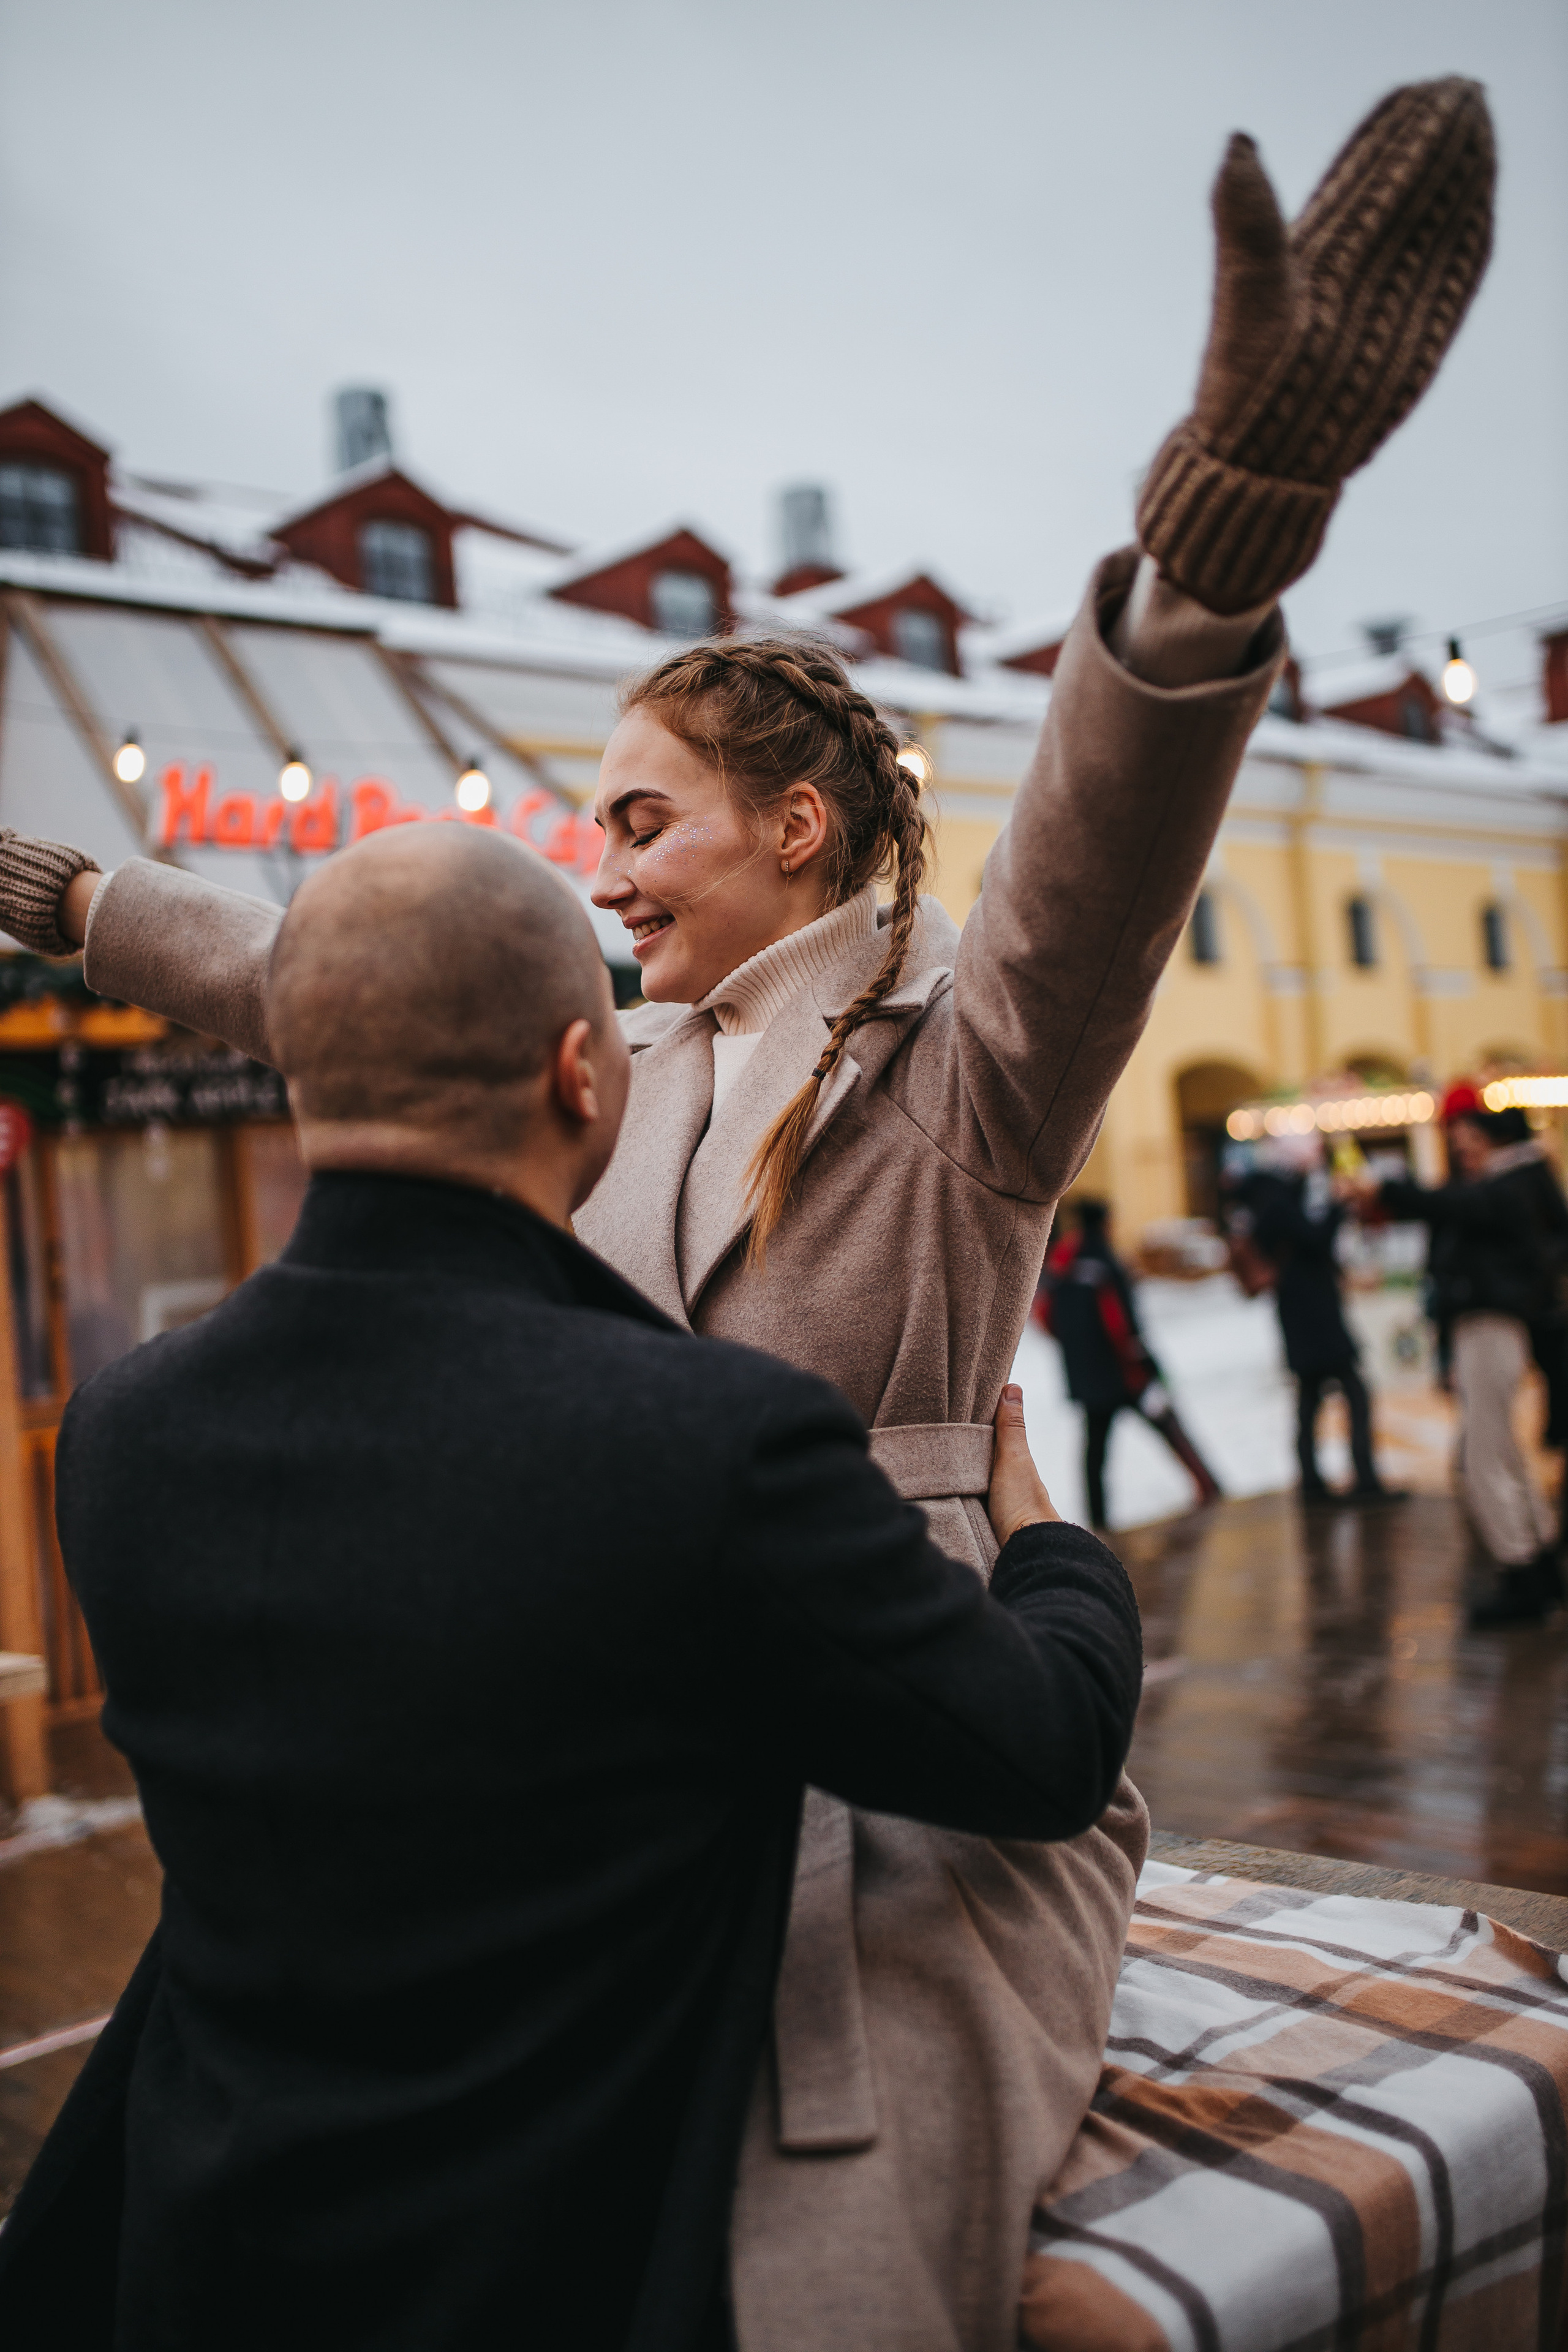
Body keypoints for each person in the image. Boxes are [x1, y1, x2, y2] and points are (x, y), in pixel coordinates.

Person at [0, 78, 1493, 2350]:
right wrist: (73, 896)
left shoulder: (952, 1068)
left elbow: (1090, 866)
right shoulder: (605, 1051)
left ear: (798, 829)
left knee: (810, 2266)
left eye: (634, 817)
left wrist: (1213, 555)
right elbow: (338, 965)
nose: (591, 867)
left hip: (902, 1778)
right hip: (614, 1747)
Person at [0, 826, 1143, 2352]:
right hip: (548, 2266)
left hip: (200, 2238)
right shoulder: (701, 1447)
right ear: (578, 1074)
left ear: (299, 1075)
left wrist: (88, 901)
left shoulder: (125, 1429)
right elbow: (1040, 1748)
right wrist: (1047, 1552)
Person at [1376, 1098, 1568, 1627]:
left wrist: (1386, 1191)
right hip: (1496, 1326)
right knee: (1501, 1449)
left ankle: (1521, 1568)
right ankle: (1539, 1557)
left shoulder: (1510, 1184)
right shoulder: (1522, 1181)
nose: (1462, 1145)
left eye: (1469, 1134)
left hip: (1490, 1325)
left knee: (1485, 1456)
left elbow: (1454, 1207)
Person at [1035, 1197, 1221, 1527]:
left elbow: (1046, 1318)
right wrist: (1140, 1359)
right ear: (1105, 1223)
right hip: (1124, 1374)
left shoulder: (1063, 1265)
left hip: (1089, 1378)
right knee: (1168, 1425)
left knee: (1095, 1454)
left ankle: (1099, 1519)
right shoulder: (1105, 1263)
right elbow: (1119, 1322)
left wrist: (1075, 1350)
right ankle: (1208, 1484)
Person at [1238, 1142, 1406, 1505]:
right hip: (1313, 1317)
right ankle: (1361, 1479)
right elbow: (1314, 1241)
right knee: (1353, 1394)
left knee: (1311, 1399)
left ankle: (1315, 1481)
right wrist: (1336, 1206)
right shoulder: (1280, 1203)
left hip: (1302, 1315)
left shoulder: (1270, 1201)